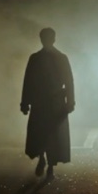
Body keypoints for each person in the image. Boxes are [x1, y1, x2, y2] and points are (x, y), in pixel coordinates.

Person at [20, 27, 75, 179]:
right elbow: (69, 82)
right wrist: (70, 101)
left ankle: (45, 161)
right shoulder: (60, 57)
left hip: (42, 101)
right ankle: (48, 163)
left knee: (43, 132)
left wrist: (25, 103)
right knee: (51, 133)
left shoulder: (36, 58)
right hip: (53, 102)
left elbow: (28, 82)